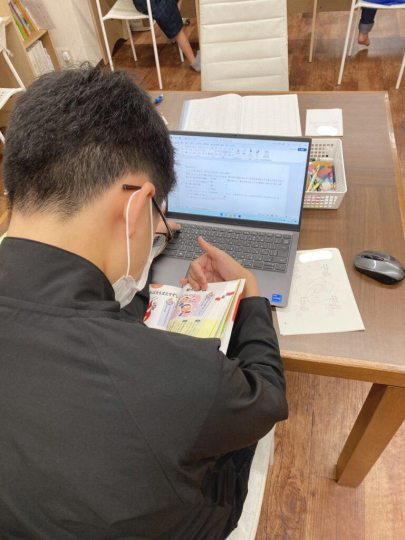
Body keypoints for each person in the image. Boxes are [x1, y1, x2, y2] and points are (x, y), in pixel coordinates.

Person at [0, 67, 288, 540]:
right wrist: (252, 298)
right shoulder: (186, 376)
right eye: (156, 219)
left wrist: (145, 245)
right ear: (137, 205)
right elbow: (267, 398)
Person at [133, 0, 201, 71]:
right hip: (147, 3)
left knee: (170, 13)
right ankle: (194, 62)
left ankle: (173, 28)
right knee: (169, 13)